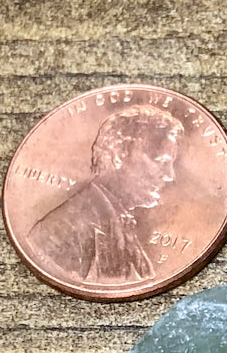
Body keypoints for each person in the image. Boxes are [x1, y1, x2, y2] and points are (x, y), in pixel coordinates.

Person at [28, 104, 184, 282]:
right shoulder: (61, 232)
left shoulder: (120, 220)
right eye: (161, 161)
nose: (169, 176)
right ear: (118, 155)